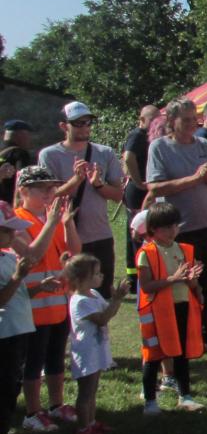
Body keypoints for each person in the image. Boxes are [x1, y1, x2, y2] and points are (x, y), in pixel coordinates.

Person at [146, 98, 207, 351]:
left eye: (194, 119)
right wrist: (194, 178)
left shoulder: (204, 145)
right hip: (180, 228)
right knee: (185, 283)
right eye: (185, 120)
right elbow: (155, 187)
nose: (191, 124)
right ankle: (188, 334)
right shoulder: (160, 147)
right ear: (172, 121)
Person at [15, 167, 81, 433]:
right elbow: (33, 256)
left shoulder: (49, 218)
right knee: (33, 361)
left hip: (57, 303)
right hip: (33, 307)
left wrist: (68, 223)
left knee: (55, 357)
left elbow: (74, 250)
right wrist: (53, 223)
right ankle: (32, 411)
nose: (49, 193)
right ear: (23, 191)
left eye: (52, 188)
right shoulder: (18, 221)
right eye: (42, 188)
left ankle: (56, 404)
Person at [0, 201, 64, 434]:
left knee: (10, 389)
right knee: (3, 391)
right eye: (7, 230)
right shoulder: (9, 263)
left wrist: (38, 287)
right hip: (4, 335)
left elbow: (19, 293)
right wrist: (18, 277)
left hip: (17, 332)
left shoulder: (7, 258)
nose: (13, 234)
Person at [39, 101, 124, 299]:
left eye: (88, 122)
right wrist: (75, 180)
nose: (85, 127)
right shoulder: (49, 155)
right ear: (64, 126)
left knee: (101, 296)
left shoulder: (105, 153)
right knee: (70, 296)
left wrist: (99, 185)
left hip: (101, 235)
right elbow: (48, 197)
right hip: (66, 238)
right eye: (78, 123)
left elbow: (118, 195)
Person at [137, 201, 206, 414]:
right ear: (153, 229)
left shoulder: (183, 249)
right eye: (166, 227)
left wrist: (192, 279)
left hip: (182, 307)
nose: (172, 231)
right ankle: (150, 401)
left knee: (182, 354)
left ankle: (185, 396)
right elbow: (146, 286)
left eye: (175, 226)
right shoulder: (147, 253)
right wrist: (173, 279)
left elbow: (190, 284)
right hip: (158, 313)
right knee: (154, 355)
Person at [65, 254, 128, 434]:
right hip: (86, 353)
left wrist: (117, 299)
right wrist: (116, 300)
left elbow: (108, 312)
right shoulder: (80, 301)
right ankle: (83, 428)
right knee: (86, 392)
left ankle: (91, 423)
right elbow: (101, 319)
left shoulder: (94, 294)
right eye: (96, 274)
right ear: (79, 280)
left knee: (92, 390)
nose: (101, 276)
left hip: (97, 349)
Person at [122, 105, 159, 293]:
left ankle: (136, 276)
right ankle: (137, 278)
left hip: (143, 189)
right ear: (142, 119)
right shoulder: (138, 135)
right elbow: (128, 157)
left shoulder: (152, 136)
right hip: (138, 192)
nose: (156, 122)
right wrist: (138, 182)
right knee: (139, 231)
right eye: (152, 119)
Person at [0, 119, 35, 204]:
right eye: (27, 136)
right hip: (10, 204)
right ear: (20, 136)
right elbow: (24, 180)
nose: (29, 140)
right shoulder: (20, 153)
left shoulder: (2, 153)